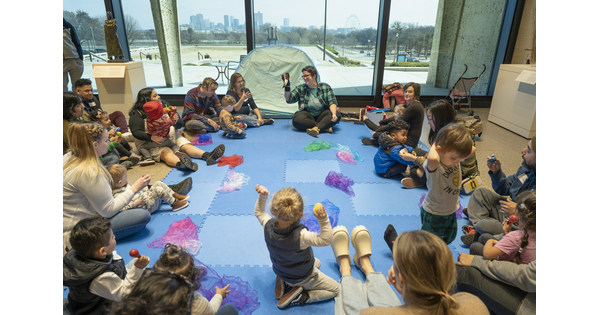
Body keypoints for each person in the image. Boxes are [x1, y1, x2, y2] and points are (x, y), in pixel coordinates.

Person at [330, 227, 489, 315]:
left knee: (354, 309)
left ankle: (346, 269)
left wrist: (404, 290)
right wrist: (405, 287)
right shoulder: (473, 304)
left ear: (402, 279)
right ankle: (366, 266)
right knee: (391, 306)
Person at [63, 122, 152, 254]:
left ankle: (150, 189)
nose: (108, 142)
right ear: (95, 145)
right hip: (78, 234)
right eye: (106, 140)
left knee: (120, 185)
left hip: (70, 221)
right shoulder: (89, 172)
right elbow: (108, 211)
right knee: (142, 215)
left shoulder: (68, 157)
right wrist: (134, 189)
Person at [386, 123, 476, 247]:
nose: (457, 162)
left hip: (450, 210)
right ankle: (399, 246)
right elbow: (432, 158)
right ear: (439, 150)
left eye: (460, 159)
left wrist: (454, 151)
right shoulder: (434, 165)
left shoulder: (454, 158)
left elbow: (472, 149)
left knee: (447, 239)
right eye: (454, 158)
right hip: (435, 212)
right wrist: (436, 145)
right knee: (428, 244)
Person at [254, 184, 339, 308]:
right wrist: (323, 220)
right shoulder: (302, 236)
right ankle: (301, 296)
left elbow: (259, 211)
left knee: (317, 262)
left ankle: (284, 280)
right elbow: (325, 240)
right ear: (300, 215)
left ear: (272, 210)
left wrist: (263, 196)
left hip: (281, 269)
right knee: (335, 289)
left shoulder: (267, 224)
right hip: (302, 277)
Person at [110, 244, 239, 315]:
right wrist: (219, 296)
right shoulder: (195, 302)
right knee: (229, 310)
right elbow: (211, 310)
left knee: (132, 264)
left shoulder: (143, 292)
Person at [63, 216, 151, 315]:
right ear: (103, 251)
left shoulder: (89, 253)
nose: (115, 237)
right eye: (112, 237)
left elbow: (117, 266)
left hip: (107, 286)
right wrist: (138, 269)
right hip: (100, 309)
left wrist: (137, 269)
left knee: (140, 267)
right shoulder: (100, 278)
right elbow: (123, 294)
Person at [461, 137, 536, 247]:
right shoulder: (527, 168)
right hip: (509, 212)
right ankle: (481, 229)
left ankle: (479, 226)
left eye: (528, 150)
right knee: (480, 193)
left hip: (523, 224)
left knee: (485, 225)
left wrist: (519, 209)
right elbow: (505, 188)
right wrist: (496, 172)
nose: (523, 151)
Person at [129, 88, 226, 169]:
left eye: (157, 95)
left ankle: (207, 155)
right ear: (146, 100)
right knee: (166, 151)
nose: (159, 97)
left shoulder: (165, 106)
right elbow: (136, 132)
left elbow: (180, 124)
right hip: (152, 143)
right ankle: (182, 164)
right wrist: (151, 138)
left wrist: (176, 121)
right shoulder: (138, 113)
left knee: (186, 146)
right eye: (155, 96)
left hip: (172, 137)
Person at [401, 99, 480, 192]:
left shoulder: (453, 132)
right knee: (415, 151)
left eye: (430, 118)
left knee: (414, 170)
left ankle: (428, 182)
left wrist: (414, 159)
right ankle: (426, 181)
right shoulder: (451, 127)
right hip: (447, 165)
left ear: (440, 117)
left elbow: (435, 164)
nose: (428, 123)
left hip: (458, 174)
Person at [470, 191, 536, 266]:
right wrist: (506, 233)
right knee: (484, 237)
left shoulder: (516, 236)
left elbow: (487, 255)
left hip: (507, 269)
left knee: (475, 246)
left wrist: (491, 241)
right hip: (518, 263)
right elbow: (516, 246)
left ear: (517, 212)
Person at [456, 254, 536, 315]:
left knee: (464, 272)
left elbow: (527, 275)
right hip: (530, 291)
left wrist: (477, 261)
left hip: (529, 306)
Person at [284, 66, 341, 137]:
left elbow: (332, 102)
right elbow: (289, 99)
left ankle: (317, 128)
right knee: (296, 120)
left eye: (307, 76)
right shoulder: (301, 88)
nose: (305, 78)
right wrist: (287, 87)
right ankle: (324, 126)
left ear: (314, 75)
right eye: (303, 76)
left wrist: (334, 114)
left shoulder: (325, 87)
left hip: (322, 115)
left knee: (337, 115)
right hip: (308, 115)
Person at [108, 164, 189, 212]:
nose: (127, 177)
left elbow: (138, 190)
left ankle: (174, 195)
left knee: (158, 183)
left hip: (146, 196)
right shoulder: (117, 195)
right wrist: (134, 204)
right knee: (158, 190)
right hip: (146, 206)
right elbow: (121, 208)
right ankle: (175, 204)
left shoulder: (125, 185)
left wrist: (144, 185)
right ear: (119, 182)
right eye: (125, 176)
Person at [136, 100, 190, 167]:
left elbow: (155, 114)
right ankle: (176, 151)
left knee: (142, 147)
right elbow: (173, 120)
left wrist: (161, 114)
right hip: (166, 141)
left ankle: (149, 158)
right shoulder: (166, 122)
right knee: (173, 144)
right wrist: (173, 111)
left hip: (152, 142)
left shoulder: (149, 120)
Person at [63, 18, 84, 92]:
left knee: (77, 86)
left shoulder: (67, 26)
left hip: (74, 58)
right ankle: (65, 103)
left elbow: (76, 41)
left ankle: (78, 103)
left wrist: (80, 58)